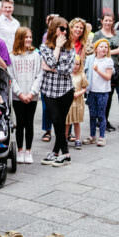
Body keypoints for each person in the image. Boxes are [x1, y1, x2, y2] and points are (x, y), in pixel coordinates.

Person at [39, 17, 76, 167]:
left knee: (60, 121)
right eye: (61, 28)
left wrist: (51, 67)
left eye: (66, 29)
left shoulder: (71, 48)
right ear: (54, 29)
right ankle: (64, 153)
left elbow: (67, 69)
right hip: (48, 90)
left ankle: (58, 153)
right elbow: (53, 63)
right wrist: (58, 48)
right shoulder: (44, 47)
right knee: (56, 120)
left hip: (65, 90)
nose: (64, 31)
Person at [10, 27, 41, 164]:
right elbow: (11, 77)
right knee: (20, 123)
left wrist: (32, 93)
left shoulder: (36, 55)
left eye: (30, 37)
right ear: (19, 39)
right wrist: (20, 94)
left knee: (29, 123)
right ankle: (20, 150)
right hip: (18, 96)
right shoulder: (12, 56)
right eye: (26, 37)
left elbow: (39, 75)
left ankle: (28, 151)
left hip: (32, 96)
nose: (28, 39)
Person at [92, 13, 119, 132]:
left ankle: (104, 119)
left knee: (108, 96)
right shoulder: (97, 34)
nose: (108, 23)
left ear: (113, 22)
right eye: (106, 20)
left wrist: (105, 52)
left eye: (110, 21)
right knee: (97, 94)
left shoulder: (118, 34)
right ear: (102, 21)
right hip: (99, 67)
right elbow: (93, 50)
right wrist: (106, 53)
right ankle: (97, 119)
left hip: (113, 68)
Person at [85, 39, 115, 146]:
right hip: (91, 91)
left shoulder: (108, 61)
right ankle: (92, 136)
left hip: (103, 92)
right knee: (92, 115)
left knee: (101, 115)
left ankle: (102, 137)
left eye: (106, 47)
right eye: (101, 46)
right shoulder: (90, 59)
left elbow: (108, 77)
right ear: (96, 48)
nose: (104, 49)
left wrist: (98, 70)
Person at [40, 13, 59, 142]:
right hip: (47, 76)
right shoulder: (46, 38)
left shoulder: (64, 37)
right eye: (50, 22)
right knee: (47, 106)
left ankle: (65, 131)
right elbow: (44, 59)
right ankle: (47, 130)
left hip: (60, 77)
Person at [65, 57, 88, 150]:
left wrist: (79, 93)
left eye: (77, 64)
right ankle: (64, 139)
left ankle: (77, 139)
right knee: (66, 122)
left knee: (76, 122)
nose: (75, 66)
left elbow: (84, 87)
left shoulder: (81, 74)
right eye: (73, 63)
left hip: (77, 102)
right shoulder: (67, 74)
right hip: (67, 102)